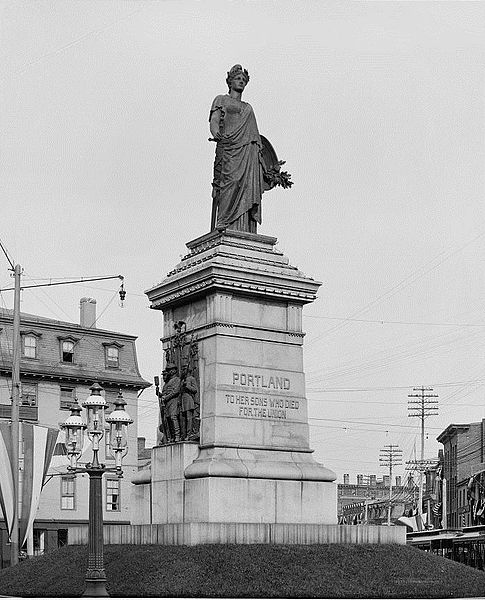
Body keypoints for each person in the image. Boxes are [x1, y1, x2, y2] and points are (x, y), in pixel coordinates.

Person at [209, 64, 264, 233]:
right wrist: (216, 133)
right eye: (238, 79)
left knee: (246, 185)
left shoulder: (248, 108)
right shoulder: (221, 99)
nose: (241, 82)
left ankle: (244, 228)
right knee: (229, 183)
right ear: (230, 81)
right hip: (228, 149)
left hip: (246, 152)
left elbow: (255, 137)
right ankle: (224, 221)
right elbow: (214, 120)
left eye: (243, 80)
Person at [161, 363, 181, 442]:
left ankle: (177, 435)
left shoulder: (177, 380)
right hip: (167, 402)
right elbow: (165, 392)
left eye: (170, 370)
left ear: (174, 371)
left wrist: (166, 397)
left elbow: (175, 391)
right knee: (168, 419)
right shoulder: (167, 383)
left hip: (173, 401)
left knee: (173, 417)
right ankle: (172, 436)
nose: (169, 372)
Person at [180, 364, 198, 440]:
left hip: (189, 399)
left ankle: (189, 434)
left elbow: (195, 389)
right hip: (183, 400)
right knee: (183, 419)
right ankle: (183, 434)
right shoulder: (183, 380)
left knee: (189, 418)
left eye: (184, 370)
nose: (183, 371)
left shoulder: (191, 379)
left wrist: (187, 386)